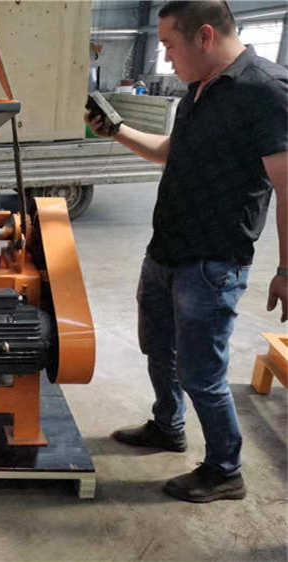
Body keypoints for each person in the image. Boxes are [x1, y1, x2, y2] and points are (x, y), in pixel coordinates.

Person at [86, 0, 287, 503]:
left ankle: (224, 469)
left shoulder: (265, 90)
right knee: (159, 348)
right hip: (167, 249)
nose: (166, 57)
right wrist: (117, 130)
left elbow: (287, 186)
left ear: (204, 36)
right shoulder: (200, 89)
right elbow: (172, 153)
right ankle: (167, 425)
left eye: (169, 45)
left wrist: (287, 269)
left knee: (201, 373)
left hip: (213, 259)